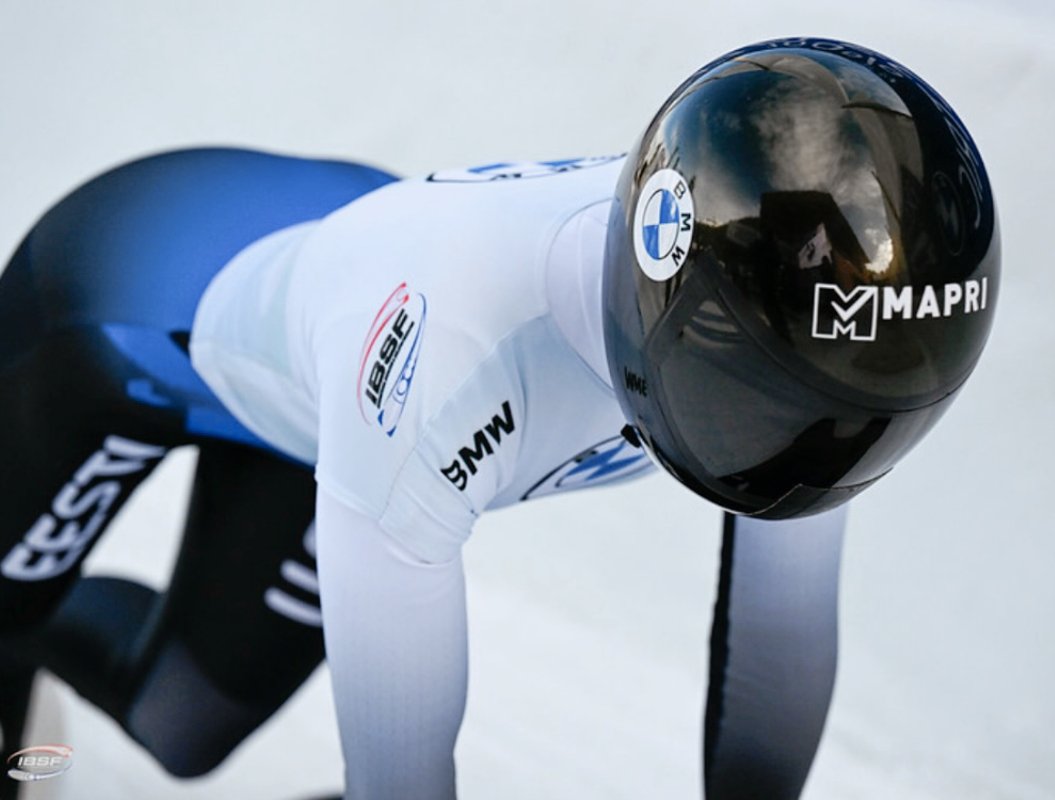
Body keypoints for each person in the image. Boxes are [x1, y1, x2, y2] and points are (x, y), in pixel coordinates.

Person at [0, 37, 998, 799]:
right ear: (680, 324)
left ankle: (35, 628)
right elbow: (400, 773)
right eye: (761, 399)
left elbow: (777, 647)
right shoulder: (444, 372)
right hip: (116, 309)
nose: (799, 452)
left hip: (322, 336)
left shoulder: (812, 356)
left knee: (182, 729)